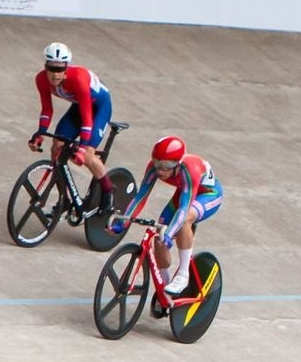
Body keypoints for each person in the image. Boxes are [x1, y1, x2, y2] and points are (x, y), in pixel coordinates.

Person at [111, 135, 221, 300]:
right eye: (157, 164)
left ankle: (183, 276)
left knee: (183, 221)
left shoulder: (189, 170)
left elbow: (184, 209)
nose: (160, 170)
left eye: (166, 166)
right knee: (159, 238)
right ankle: (165, 291)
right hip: (184, 192)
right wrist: (123, 221)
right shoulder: (153, 168)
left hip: (207, 195)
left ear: (178, 163)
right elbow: (141, 196)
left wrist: (170, 233)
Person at [31, 41, 114, 196]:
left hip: (99, 107)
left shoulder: (78, 79)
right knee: (57, 146)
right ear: (45, 66)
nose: (55, 74)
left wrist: (82, 147)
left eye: (59, 69)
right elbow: (47, 109)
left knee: (88, 154)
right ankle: (64, 198)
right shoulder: (41, 80)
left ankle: (109, 194)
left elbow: (87, 117)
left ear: (66, 68)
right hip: (79, 106)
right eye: (51, 68)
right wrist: (40, 134)